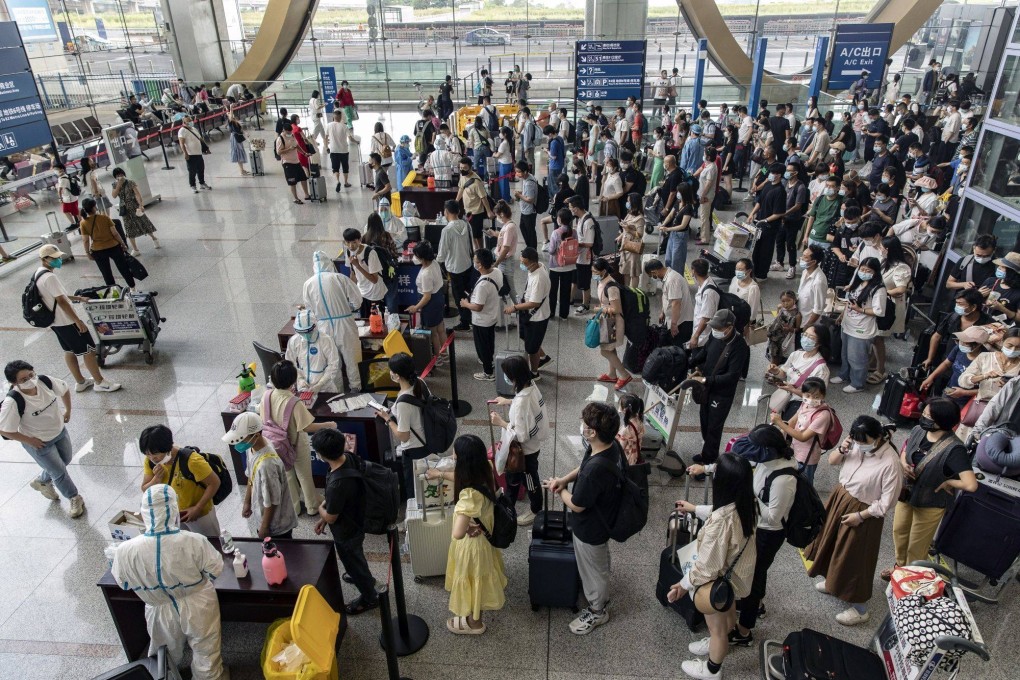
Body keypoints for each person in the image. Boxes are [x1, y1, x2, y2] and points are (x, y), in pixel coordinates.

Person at [112, 485, 227, 680]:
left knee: (164, 651)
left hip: (157, 608)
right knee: (206, 646)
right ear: (174, 508)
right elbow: (215, 570)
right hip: (198, 602)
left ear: (144, 513)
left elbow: (123, 583)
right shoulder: (194, 541)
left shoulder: (124, 551)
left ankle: (169, 677)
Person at [668, 453, 757, 680]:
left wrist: (682, 584)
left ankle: (712, 669)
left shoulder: (721, 523)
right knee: (727, 614)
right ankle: (724, 637)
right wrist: (695, 508)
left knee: (716, 629)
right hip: (735, 577)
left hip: (718, 579)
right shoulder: (748, 503)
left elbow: (706, 568)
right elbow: (723, 514)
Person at [805, 415, 901, 626]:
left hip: (865, 512)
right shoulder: (855, 444)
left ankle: (860, 609)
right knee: (832, 544)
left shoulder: (890, 462)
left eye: (863, 442)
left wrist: (860, 516)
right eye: (855, 440)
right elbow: (831, 462)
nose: (859, 445)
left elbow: (887, 503)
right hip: (842, 497)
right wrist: (843, 449)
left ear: (878, 437)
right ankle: (833, 582)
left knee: (856, 558)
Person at [543, 403, 624, 635]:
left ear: (592, 432)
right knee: (598, 563)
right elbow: (584, 465)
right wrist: (565, 479)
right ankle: (601, 586)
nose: (582, 426)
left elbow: (577, 505)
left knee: (592, 570)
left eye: (586, 425)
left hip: (591, 527)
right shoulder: (610, 446)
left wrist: (560, 491)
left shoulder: (593, 472)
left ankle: (598, 611)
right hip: (604, 517)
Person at [883, 398, 976, 580]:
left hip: (930, 502)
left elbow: (971, 484)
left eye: (928, 416)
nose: (923, 418)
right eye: (924, 413)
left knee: (917, 545)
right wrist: (904, 464)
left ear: (943, 421)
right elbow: (905, 449)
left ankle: (910, 578)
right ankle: (900, 568)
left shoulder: (954, 449)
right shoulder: (919, 430)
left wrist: (949, 483)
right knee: (899, 532)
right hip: (908, 495)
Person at [428, 434, 508, 634]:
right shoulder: (486, 469)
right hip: (486, 536)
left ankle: (475, 624)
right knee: (479, 578)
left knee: (474, 581)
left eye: (455, 454)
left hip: (473, 546)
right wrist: (440, 473)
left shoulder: (468, 497)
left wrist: (466, 526)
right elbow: (464, 478)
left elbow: (457, 533)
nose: (453, 455)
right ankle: (474, 618)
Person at [0, 360, 85, 518]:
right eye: (24, 379)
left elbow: (65, 389)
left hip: (59, 431)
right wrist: (29, 441)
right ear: (14, 383)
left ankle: (42, 481)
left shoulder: (45, 381)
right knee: (59, 471)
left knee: (65, 460)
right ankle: (74, 497)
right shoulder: (12, 401)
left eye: (31, 375)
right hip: (39, 443)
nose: (30, 380)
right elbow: (5, 430)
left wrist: (68, 410)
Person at [32, 245, 121, 393]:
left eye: (58, 257)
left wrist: (78, 298)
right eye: (54, 258)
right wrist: (77, 321)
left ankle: (80, 382)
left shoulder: (38, 273)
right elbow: (61, 301)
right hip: (67, 321)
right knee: (89, 351)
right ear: (44, 259)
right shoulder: (50, 277)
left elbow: (56, 296)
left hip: (54, 322)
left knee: (69, 350)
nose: (58, 260)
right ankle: (100, 383)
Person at [311, 428, 380, 615]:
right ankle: (365, 577)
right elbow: (335, 502)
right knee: (357, 556)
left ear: (322, 455)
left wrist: (320, 510)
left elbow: (332, 516)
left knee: (352, 561)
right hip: (357, 519)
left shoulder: (336, 484)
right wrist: (323, 518)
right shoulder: (348, 458)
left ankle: (369, 597)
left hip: (347, 531)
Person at [260, 362, 336, 516]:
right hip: (296, 443)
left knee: (287, 475)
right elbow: (307, 427)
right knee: (304, 475)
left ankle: (294, 506)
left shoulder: (266, 396)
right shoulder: (294, 402)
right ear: (293, 380)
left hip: (276, 443)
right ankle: (312, 506)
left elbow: (263, 418)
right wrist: (329, 424)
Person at [489, 355, 548, 524]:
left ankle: (536, 510)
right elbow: (527, 406)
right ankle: (509, 506)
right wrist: (509, 401)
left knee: (530, 479)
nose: (506, 377)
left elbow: (520, 435)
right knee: (518, 478)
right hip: (532, 446)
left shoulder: (521, 401)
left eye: (507, 374)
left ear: (514, 376)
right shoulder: (531, 385)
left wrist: (501, 423)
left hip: (526, 451)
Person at [689, 310, 751, 466]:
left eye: (718, 328)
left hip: (721, 394)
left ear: (729, 327)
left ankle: (709, 460)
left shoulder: (739, 346)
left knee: (713, 427)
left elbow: (732, 376)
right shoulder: (715, 335)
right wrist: (690, 361)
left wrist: (705, 379)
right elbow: (705, 352)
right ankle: (706, 453)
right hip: (707, 388)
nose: (715, 331)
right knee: (704, 420)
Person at [140, 424, 221, 536]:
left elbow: (214, 482)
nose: (152, 458)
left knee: (211, 544)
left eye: (156, 454)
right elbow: (145, 488)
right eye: (147, 454)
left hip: (199, 515)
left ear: (168, 447)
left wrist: (198, 508)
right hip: (173, 515)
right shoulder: (150, 461)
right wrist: (156, 479)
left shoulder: (191, 461)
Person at [302, 251, 363, 391]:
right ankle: (356, 390)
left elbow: (309, 310)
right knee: (352, 359)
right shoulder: (340, 278)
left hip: (323, 327)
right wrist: (347, 308)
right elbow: (357, 301)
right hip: (345, 324)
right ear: (329, 263)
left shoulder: (308, 284)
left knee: (333, 363)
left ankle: (337, 393)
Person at [377, 353, 429, 498]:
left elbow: (404, 436)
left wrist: (388, 419)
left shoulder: (403, 403)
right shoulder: (420, 382)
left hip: (414, 450)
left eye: (391, 371)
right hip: (428, 441)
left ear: (397, 376)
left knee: (415, 490)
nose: (390, 374)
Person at [832, 257, 887, 393]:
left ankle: (858, 383)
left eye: (868, 270)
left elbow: (879, 311)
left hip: (862, 329)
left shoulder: (878, 289)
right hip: (848, 324)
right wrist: (842, 315)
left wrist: (860, 310)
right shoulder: (857, 283)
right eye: (862, 269)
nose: (864, 272)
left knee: (857, 358)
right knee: (845, 354)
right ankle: (844, 375)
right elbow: (849, 302)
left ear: (875, 272)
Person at [240, 413, 298, 540]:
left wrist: (265, 527)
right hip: (262, 516)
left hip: (277, 526)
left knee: (282, 555)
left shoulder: (267, 464)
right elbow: (251, 475)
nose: (239, 442)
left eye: (241, 438)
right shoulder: (252, 446)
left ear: (255, 435)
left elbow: (272, 500)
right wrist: (247, 502)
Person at [505, 247, 554, 379]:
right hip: (530, 314)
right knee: (530, 340)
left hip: (536, 317)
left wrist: (514, 308)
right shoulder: (538, 266)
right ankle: (543, 357)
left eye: (524, 263)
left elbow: (534, 303)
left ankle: (534, 373)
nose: (521, 265)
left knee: (532, 349)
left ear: (532, 262)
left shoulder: (539, 278)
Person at [460, 248, 503, 382]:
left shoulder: (483, 284)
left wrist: (465, 304)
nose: (474, 264)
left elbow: (478, 307)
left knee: (482, 346)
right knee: (489, 342)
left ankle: (488, 373)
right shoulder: (496, 272)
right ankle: (489, 362)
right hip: (492, 316)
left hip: (481, 320)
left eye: (476, 261)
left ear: (481, 264)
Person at [922, 288, 992, 371]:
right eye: (956, 303)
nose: (957, 306)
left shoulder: (988, 324)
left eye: (960, 304)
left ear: (973, 307)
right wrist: (930, 358)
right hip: (947, 362)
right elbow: (936, 337)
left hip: (971, 369)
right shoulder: (953, 318)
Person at [920, 326, 988, 407]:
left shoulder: (987, 360)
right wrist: (931, 377)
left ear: (978, 345)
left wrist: (964, 393)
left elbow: (988, 390)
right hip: (949, 391)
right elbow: (946, 363)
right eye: (960, 341)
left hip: (967, 403)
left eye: (965, 343)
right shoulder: (959, 349)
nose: (961, 344)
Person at [592, 258, 633, 391]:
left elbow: (616, 309)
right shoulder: (603, 281)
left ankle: (624, 375)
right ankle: (612, 374)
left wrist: (600, 309)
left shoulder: (612, 287)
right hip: (607, 320)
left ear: (603, 271)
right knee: (610, 348)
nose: (593, 274)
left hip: (613, 323)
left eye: (595, 271)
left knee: (605, 351)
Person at [79, 198, 136, 290]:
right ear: (94, 207)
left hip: (98, 251)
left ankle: (114, 291)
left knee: (106, 273)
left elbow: (85, 240)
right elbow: (115, 233)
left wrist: (87, 253)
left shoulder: (83, 223)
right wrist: (123, 244)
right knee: (123, 268)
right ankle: (133, 288)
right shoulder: (104, 218)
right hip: (114, 247)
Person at [437, 200, 474, 332]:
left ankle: (465, 322)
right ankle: (471, 317)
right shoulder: (466, 224)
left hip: (454, 267)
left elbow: (442, 253)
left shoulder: (447, 230)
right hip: (468, 265)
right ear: (458, 211)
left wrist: (435, 262)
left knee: (458, 295)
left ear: (446, 212)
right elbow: (471, 245)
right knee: (468, 292)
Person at [407, 241, 447, 359]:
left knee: (433, 333)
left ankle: (438, 357)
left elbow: (427, 296)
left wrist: (415, 307)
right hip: (439, 298)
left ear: (422, 257)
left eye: (417, 256)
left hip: (430, 303)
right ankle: (445, 354)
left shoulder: (426, 274)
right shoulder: (433, 262)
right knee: (440, 329)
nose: (415, 258)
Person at [748, 163, 788, 280]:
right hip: (759, 223)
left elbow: (779, 213)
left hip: (770, 227)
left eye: (773, 173)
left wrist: (765, 220)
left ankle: (762, 274)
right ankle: (754, 271)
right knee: (756, 249)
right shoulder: (768, 186)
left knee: (765, 251)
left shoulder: (780, 191)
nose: (770, 175)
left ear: (779, 175)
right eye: (770, 172)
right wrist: (752, 213)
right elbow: (759, 202)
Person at [285, 309, 341, 394]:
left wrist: (320, 384)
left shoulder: (326, 340)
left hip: (325, 388)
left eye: (308, 331)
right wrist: (299, 378)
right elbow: (289, 363)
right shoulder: (294, 341)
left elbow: (333, 365)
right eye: (302, 332)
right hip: (304, 387)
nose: (305, 335)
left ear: (315, 326)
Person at [343, 226, 390, 319]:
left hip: (375, 293)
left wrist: (358, 266)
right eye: (348, 242)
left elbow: (374, 279)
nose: (351, 246)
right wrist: (351, 291)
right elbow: (352, 273)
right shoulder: (348, 252)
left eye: (354, 242)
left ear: (360, 240)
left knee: (377, 321)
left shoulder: (370, 253)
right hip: (362, 292)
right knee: (365, 320)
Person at [646, 258, 694, 346]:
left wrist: (674, 324)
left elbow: (676, 303)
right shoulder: (667, 277)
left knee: (677, 351)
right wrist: (663, 311)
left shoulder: (672, 280)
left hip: (681, 323)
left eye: (652, 276)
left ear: (654, 272)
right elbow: (666, 297)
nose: (653, 278)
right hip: (672, 320)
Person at [111, 167, 159, 255]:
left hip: (134, 207)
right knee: (128, 228)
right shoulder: (115, 184)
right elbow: (114, 195)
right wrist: (118, 185)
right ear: (115, 177)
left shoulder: (130, 182)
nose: (120, 176)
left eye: (121, 174)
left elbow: (138, 194)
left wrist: (141, 205)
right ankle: (135, 249)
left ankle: (154, 238)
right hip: (124, 209)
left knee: (144, 223)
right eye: (117, 175)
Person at [457, 157, 495, 252]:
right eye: (460, 168)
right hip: (468, 210)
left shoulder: (477, 181)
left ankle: (481, 250)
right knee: (472, 233)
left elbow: (483, 197)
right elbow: (461, 189)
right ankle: (476, 250)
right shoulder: (462, 177)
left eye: (464, 168)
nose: (462, 170)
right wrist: (456, 201)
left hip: (477, 211)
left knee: (477, 234)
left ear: (470, 168)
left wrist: (489, 211)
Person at [546, 208, 577, 320]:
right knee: (566, 290)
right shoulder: (574, 232)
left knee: (553, 291)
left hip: (556, 266)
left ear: (559, 219)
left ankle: (551, 313)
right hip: (569, 265)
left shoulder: (556, 233)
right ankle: (564, 314)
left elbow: (551, 250)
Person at [567, 195, 596, 314]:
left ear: (576, 208)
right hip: (578, 256)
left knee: (584, 283)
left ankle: (585, 305)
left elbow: (589, 243)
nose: (569, 210)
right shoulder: (580, 219)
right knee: (574, 280)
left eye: (570, 208)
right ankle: (570, 299)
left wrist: (575, 244)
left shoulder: (588, 222)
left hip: (585, 258)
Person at [487, 200, 520, 299]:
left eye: (497, 215)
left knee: (510, 288)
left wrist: (496, 263)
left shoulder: (509, 227)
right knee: (505, 285)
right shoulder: (507, 225)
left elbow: (506, 249)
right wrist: (493, 233)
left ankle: (519, 309)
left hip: (505, 262)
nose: (497, 218)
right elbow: (503, 236)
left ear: (501, 214)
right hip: (502, 261)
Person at [662, 183, 696, 275]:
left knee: (677, 262)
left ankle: (677, 281)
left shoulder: (688, 208)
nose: (677, 194)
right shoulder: (678, 202)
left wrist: (668, 229)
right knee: (668, 259)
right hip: (673, 234)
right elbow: (670, 215)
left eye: (679, 192)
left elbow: (683, 225)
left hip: (680, 236)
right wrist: (663, 224)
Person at [689, 258, 720, 349]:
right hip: (699, 331)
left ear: (693, 271)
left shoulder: (708, 292)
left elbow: (706, 317)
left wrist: (695, 336)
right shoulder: (705, 283)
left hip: (704, 336)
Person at [276, 125, 310, 203]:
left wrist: (304, 153)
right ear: (284, 130)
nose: (290, 133)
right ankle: (295, 198)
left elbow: (297, 146)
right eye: (288, 132)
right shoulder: (280, 139)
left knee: (303, 178)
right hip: (287, 163)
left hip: (296, 161)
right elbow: (279, 152)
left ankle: (307, 195)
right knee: (292, 182)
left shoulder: (292, 136)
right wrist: (289, 149)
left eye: (291, 132)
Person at [178, 114, 211, 194]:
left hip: (198, 153)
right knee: (192, 171)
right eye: (188, 121)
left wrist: (206, 148)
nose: (190, 122)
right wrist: (185, 153)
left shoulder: (193, 129)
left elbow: (200, 139)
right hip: (190, 154)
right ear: (184, 122)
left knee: (201, 169)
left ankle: (202, 183)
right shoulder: (182, 131)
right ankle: (192, 186)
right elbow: (182, 143)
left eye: (190, 120)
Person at [616, 193, 644, 287]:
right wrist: (620, 237)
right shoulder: (629, 214)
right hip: (625, 246)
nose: (627, 203)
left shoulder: (640, 218)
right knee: (626, 270)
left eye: (629, 201)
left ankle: (634, 292)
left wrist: (629, 230)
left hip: (632, 247)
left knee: (634, 272)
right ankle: (627, 290)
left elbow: (639, 235)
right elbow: (625, 229)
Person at [728, 258, 761, 332]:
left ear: (749, 271)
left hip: (743, 320)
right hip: (732, 317)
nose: (737, 272)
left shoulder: (753, 288)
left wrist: (748, 325)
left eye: (740, 269)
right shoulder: (734, 279)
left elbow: (753, 309)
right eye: (736, 269)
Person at [513, 160, 540, 250]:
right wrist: (521, 193)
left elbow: (530, 199)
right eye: (516, 171)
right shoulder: (527, 178)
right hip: (525, 209)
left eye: (519, 172)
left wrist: (519, 195)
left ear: (525, 172)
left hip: (529, 211)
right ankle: (529, 247)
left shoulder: (529, 183)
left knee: (530, 231)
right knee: (524, 227)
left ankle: (532, 249)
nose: (517, 174)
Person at [326, 110, 354, 191]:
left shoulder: (329, 125)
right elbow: (350, 138)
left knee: (335, 168)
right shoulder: (344, 126)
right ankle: (346, 182)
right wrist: (356, 141)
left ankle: (338, 181)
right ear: (341, 117)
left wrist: (326, 147)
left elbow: (326, 137)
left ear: (333, 117)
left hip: (333, 151)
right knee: (345, 168)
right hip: (344, 151)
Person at [696, 147, 719, 245]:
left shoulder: (711, 168)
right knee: (702, 216)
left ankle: (705, 239)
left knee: (704, 217)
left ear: (708, 157)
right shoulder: (708, 165)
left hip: (706, 197)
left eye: (705, 154)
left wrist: (702, 195)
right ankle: (702, 235)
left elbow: (708, 184)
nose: (703, 155)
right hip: (704, 195)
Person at [546, 124, 565, 194]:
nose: (547, 136)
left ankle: (555, 199)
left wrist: (547, 151)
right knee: (558, 183)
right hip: (560, 164)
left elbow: (553, 156)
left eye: (547, 135)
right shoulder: (560, 138)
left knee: (553, 185)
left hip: (554, 166)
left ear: (550, 134)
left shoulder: (553, 142)